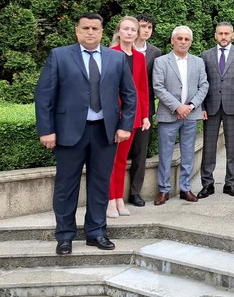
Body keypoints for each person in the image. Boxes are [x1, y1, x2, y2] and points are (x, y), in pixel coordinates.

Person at [35, 13, 137, 255]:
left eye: (95, 28)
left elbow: (130, 95)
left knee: (100, 185)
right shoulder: (59, 56)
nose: (90, 32)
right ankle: (65, 236)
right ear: (77, 31)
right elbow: (44, 96)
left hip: (105, 132)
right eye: (85, 28)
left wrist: (124, 126)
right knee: (66, 186)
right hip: (69, 133)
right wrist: (47, 130)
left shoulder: (117, 59)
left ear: (102, 32)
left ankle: (96, 232)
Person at [152, 25, 209, 205]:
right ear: (172, 40)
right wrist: (177, 106)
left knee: (188, 153)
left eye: (186, 39)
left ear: (191, 42)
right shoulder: (161, 62)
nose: (183, 42)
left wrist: (190, 106)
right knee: (165, 153)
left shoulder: (198, 62)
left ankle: (185, 188)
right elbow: (158, 87)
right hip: (169, 115)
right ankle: (163, 189)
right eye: (180, 38)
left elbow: (204, 86)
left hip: (191, 115)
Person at [198, 23, 234, 199]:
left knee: (233, 148)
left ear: (233, 36)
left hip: (233, 108)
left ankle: (231, 183)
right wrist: (202, 107)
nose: (223, 36)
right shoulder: (206, 55)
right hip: (211, 108)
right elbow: (201, 83)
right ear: (215, 35)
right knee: (209, 148)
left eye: (226, 33)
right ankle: (207, 184)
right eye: (220, 33)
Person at [107, 16, 151, 218]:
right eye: (126, 29)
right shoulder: (109, 54)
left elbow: (141, 89)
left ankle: (119, 199)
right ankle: (109, 200)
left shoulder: (140, 58)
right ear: (118, 31)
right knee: (109, 160)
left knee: (122, 160)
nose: (130, 33)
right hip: (111, 116)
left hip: (131, 117)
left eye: (133, 30)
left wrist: (144, 116)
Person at [127, 14, 161, 207]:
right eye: (142, 26)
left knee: (140, 152)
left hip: (145, 107)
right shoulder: (122, 49)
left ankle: (135, 192)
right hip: (122, 107)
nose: (146, 30)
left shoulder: (155, 53)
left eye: (149, 27)